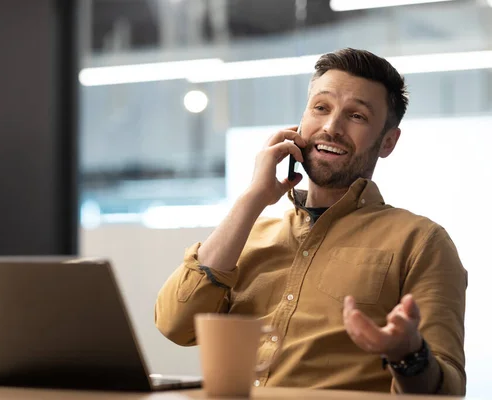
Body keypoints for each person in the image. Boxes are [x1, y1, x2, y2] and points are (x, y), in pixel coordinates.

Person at [154, 48, 467, 395]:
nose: (332, 127)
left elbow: (448, 389)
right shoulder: (247, 236)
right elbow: (174, 325)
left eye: (357, 116)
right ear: (300, 123)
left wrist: (409, 354)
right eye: (321, 108)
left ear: (388, 142)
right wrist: (253, 198)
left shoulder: (421, 241)